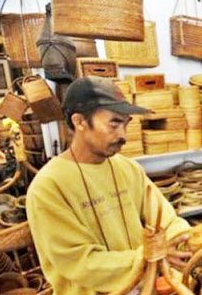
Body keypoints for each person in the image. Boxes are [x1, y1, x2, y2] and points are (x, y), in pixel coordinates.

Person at [26, 77, 192, 295]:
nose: (123, 135)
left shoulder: (127, 168)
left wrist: (189, 241)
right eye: (114, 123)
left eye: (126, 123)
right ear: (79, 121)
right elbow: (79, 262)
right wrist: (143, 258)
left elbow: (166, 219)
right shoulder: (48, 187)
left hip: (141, 287)